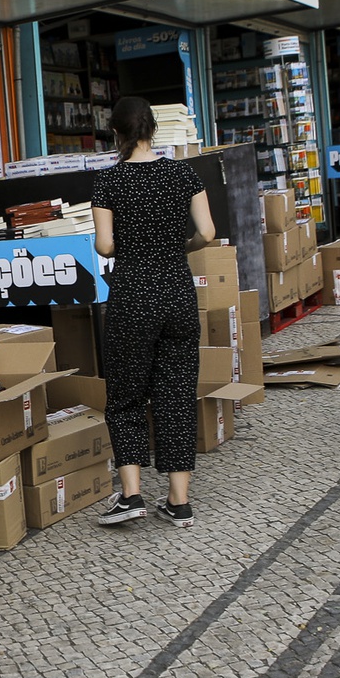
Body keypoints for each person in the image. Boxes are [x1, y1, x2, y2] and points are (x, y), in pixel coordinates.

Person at [91, 97, 216, 527]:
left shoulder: (110, 182)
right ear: (152, 130)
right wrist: (183, 247)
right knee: (177, 396)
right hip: (178, 294)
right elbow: (209, 232)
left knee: (125, 397)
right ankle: (179, 502)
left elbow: (105, 246)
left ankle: (132, 496)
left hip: (132, 297)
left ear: (117, 134)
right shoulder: (183, 173)